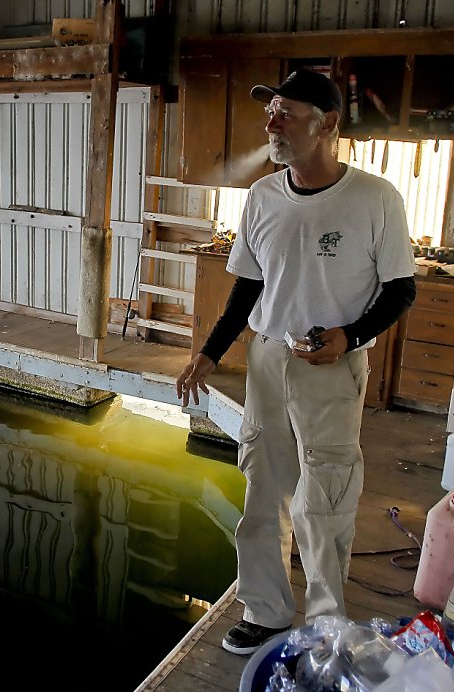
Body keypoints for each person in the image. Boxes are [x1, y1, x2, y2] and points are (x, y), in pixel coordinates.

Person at [175, 68, 418, 656]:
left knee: (324, 497)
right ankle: (265, 609)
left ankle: (326, 626)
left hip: (331, 365)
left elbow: (400, 289)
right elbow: (247, 288)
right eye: (271, 111)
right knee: (263, 490)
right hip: (268, 358)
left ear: (328, 123)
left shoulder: (375, 198)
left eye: (286, 112)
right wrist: (210, 353)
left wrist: (351, 335)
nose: (272, 122)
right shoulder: (262, 197)